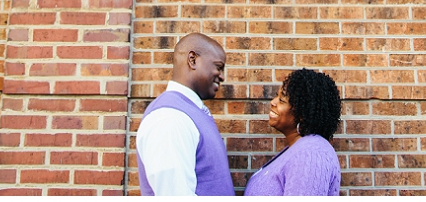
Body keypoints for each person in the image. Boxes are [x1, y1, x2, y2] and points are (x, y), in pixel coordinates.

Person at [135, 33, 235, 196]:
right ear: (192, 60)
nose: (222, 76)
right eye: (218, 67)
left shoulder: (187, 112)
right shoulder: (170, 118)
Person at [244, 68, 342, 196]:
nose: (273, 102)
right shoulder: (298, 150)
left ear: (302, 114)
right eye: (277, 96)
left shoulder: (311, 153)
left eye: (281, 100)